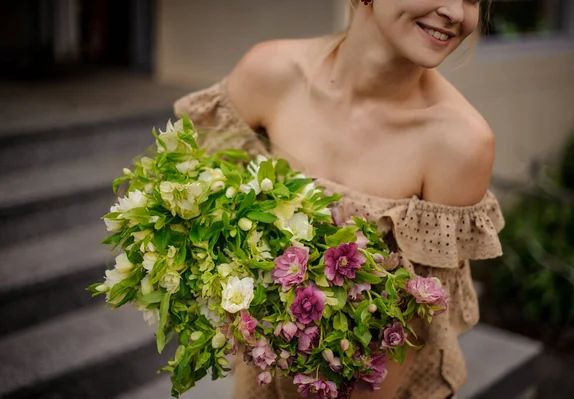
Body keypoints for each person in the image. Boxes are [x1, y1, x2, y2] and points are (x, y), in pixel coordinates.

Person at [174, 0, 504, 398]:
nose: (456, 12)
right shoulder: (270, 72)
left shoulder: (460, 143)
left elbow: (414, 331)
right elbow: (200, 206)